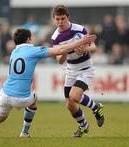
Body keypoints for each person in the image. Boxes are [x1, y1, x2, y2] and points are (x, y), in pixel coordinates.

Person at [0, 28, 96, 139]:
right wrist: (80, 42)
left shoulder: (14, 52)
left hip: (5, 93)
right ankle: (24, 132)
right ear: (28, 39)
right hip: (21, 97)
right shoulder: (33, 50)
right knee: (33, 100)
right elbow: (60, 51)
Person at [51, 5, 105, 137]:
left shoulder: (79, 29)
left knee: (74, 96)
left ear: (68, 17)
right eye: (57, 19)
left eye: (62, 19)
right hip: (71, 70)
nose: (60, 22)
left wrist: (84, 49)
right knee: (70, 104)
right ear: (54, 19)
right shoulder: (55, 37)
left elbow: (93, 47)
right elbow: (59, 60)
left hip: (85, 68)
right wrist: (66, 51)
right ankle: (83, 126)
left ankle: (96, 107)